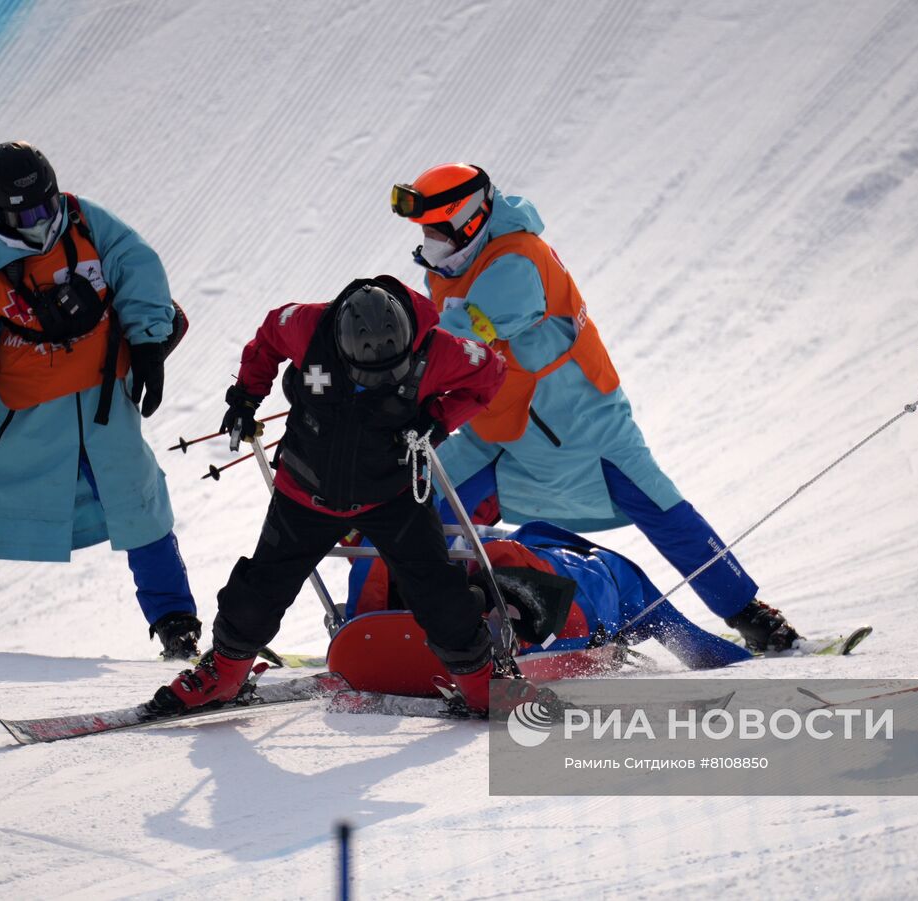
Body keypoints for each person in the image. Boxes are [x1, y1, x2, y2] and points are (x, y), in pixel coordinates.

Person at [388, 162, 803, 652]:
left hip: (584, 425)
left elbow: (457, 341)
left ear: (472, 220)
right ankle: (401, 619)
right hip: (503, 431)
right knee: (412, 496)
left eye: (438, 229)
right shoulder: (449, 267)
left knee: (663, 512)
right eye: (424, 230)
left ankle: (752, 617)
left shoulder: (519, 260)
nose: (429, 241)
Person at [0, 141, 200, 658]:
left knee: (139, 503)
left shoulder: (88, 225)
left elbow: (138, 270)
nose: (39, 220)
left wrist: (147, 342)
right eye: (24, 213)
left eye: (46, 206)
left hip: (100, 404)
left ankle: (177, 624)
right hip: (23, 412)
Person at [153, 276, 511, 713]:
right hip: (304, 492)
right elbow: (268, 335)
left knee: (439, 592)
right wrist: (247, 396)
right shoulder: (307, 325)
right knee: (258, 589)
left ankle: (481, 685)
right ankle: (224, 675)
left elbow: (491, 371)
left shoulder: (438, 349)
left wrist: (438, 419)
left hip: (393, 493)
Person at [350, 520, 753, 670]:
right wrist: (747, 664)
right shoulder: (623, 579)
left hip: (518, 562)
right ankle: (482, 611)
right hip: (565, 583)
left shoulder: (528, 542)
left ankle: (388, 612)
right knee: (679, 634)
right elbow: (693, 645)